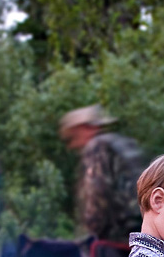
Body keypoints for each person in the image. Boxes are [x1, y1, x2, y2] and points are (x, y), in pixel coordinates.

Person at [59, 104, 145, 242]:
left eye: (73, 137)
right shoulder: (123, 144)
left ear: (86, 128)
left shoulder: (96, 148)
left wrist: (91, 236)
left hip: (120, 236)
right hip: (144, 227)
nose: (72, 145)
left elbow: (97, 197)